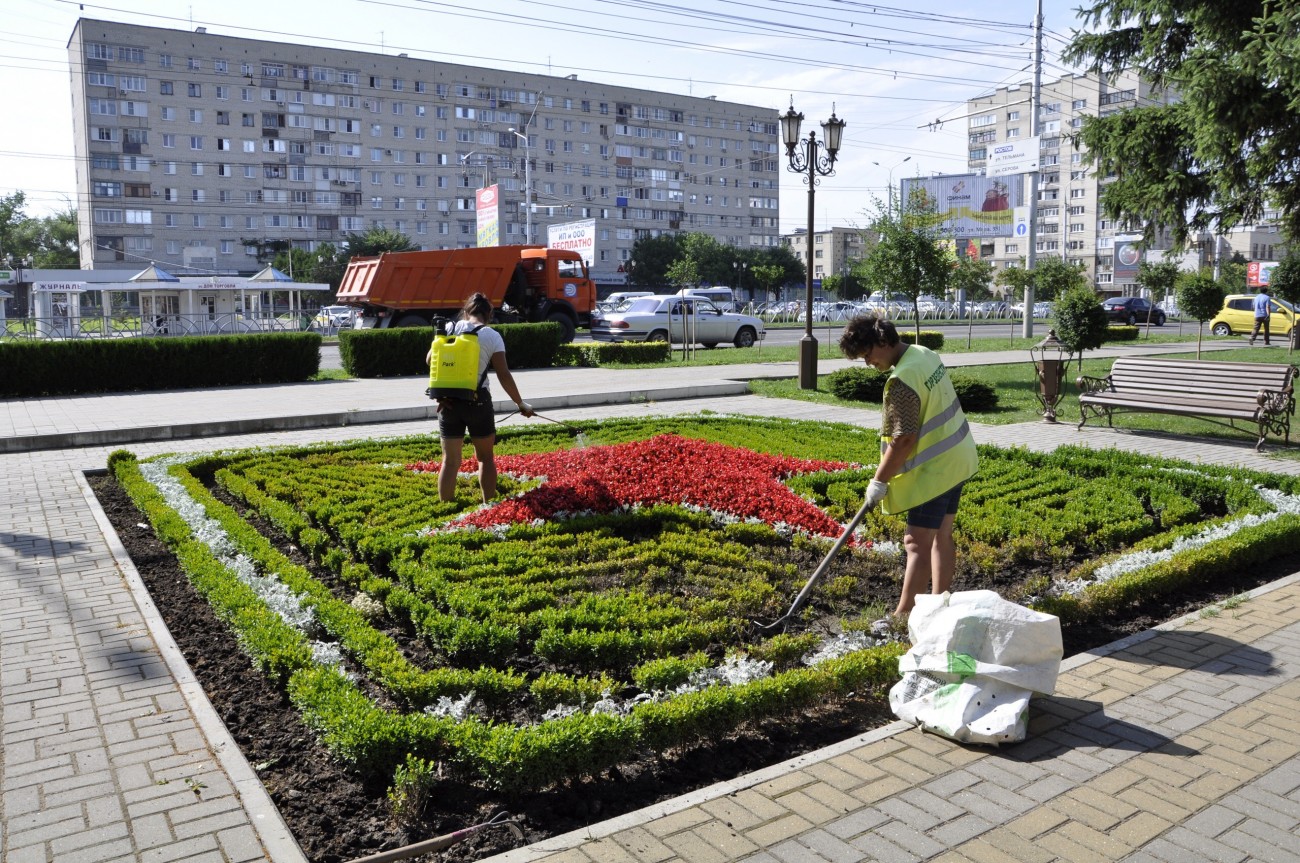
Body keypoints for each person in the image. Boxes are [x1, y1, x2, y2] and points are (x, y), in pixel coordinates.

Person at [839, 313, 979, 624]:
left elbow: (903, 440)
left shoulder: (901, 381)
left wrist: (879, 481)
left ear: (883, 342)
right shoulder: (923, 353)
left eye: (867, 355)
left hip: (935, 471)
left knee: (916, 542)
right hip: (957, 457)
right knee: (943, 534)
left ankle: (904, 616)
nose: (868, 363)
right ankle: (941, 602)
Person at [426, 293, 534, 503]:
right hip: (478, 401)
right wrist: (520, 403)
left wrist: (443, 393)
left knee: (449, 461)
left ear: (466, 311)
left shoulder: (448, 328)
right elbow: (503, 374)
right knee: (485, 458)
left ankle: (444, 507)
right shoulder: (492, 336)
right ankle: (489, 506)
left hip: (448, 403)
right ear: (489, 314)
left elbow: (431, 360)